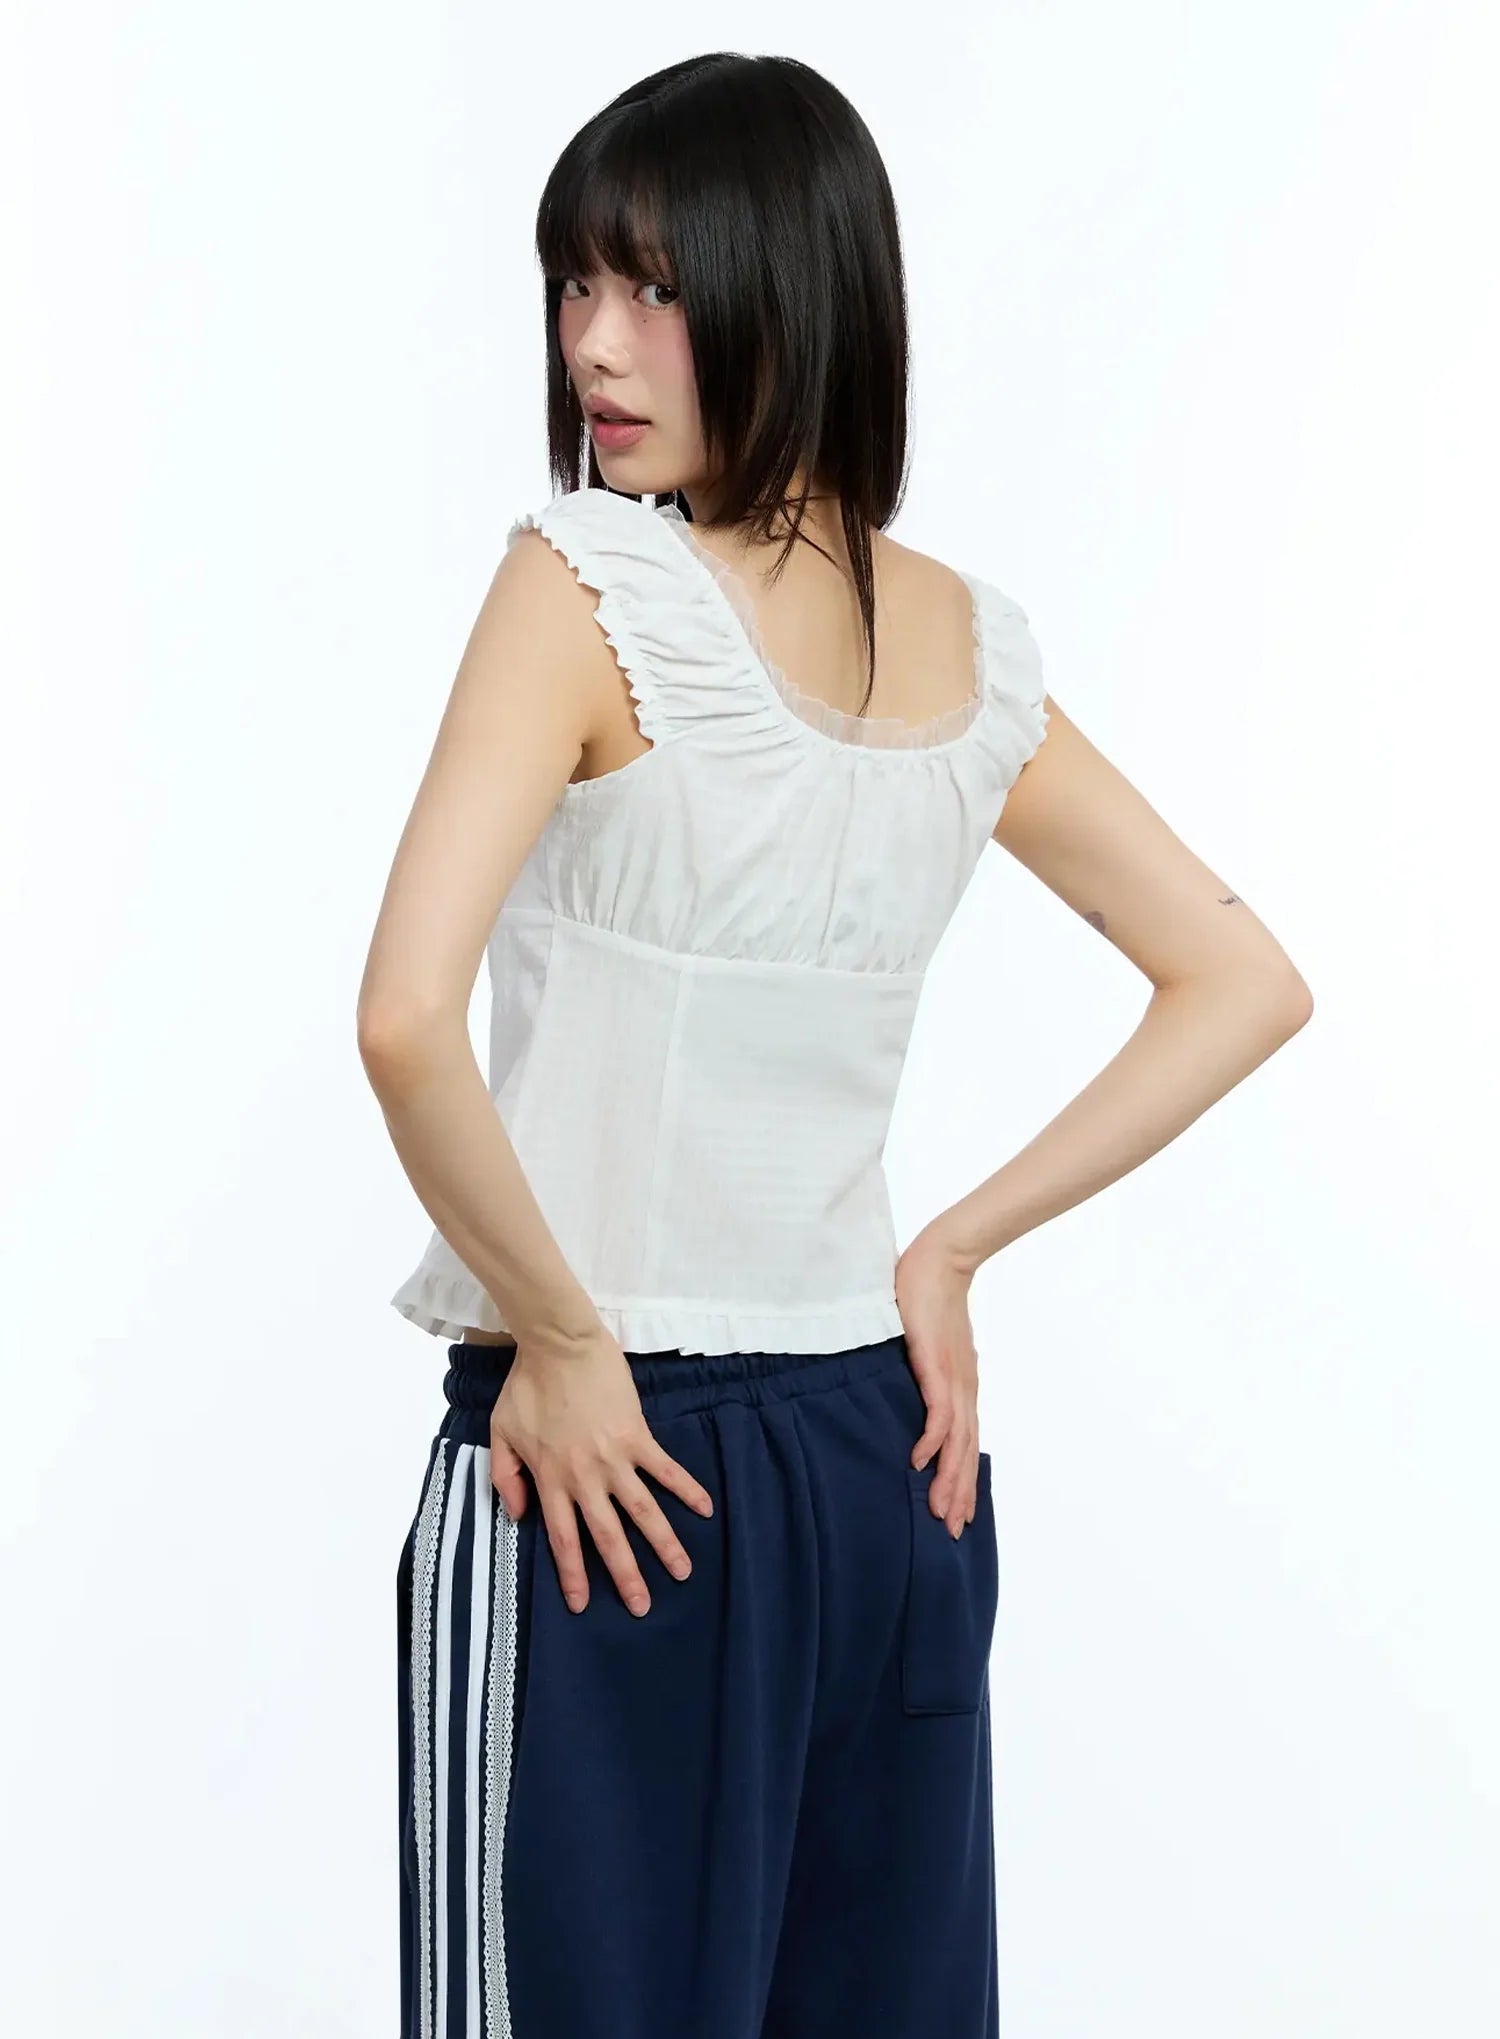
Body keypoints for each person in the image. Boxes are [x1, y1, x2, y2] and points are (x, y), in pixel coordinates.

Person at [357, 51, 1313, 2039]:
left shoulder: (586, 582)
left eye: (655, 287)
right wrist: (943, 1256)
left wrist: (563, 1338)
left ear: (793, 291)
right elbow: (1239, 977)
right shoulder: (968, 643)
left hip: (601, 1473)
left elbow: (404, 1020)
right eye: (574, 282)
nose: (594, 344)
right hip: (878, 1475)